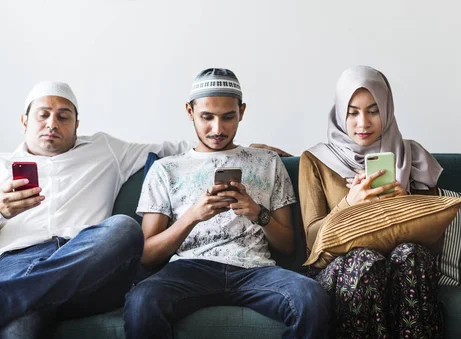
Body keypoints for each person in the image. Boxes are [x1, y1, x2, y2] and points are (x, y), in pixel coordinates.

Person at [0, 81, 290, 338]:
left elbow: (182, 147)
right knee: (19, 328)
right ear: (24, 121)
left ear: (77, 124)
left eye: (63, 116)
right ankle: (21, 298)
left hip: (88, 269)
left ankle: (10, 299)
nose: (52, 123)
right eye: (43, 115)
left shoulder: (106, 150)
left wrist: (241, 150)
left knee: (123, 228)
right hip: (19, 265)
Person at [123, 68, 329, 339]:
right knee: (141, 301)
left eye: (228, 117)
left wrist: (258, 213)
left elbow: (288, 246)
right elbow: (148, 254)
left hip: (255, 270)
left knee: (312, 298)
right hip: (188, 270)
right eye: (207, 117)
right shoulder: (165, 169)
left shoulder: (268, 162)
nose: (217, 129)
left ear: (241, 112)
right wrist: (192, 216)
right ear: (189, 111)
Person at [299, 65, 444, 338]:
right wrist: (348, 205)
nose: (363, 122)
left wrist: (406, 205)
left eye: (373, 110)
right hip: (343, 268)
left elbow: (435, 244)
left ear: (387, 110)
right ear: (340, 112)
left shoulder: (412, 156)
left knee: (411, 255)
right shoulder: (316, 160)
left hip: (402, 264)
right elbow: (312, 244)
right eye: (352, 112)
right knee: (364, 260)